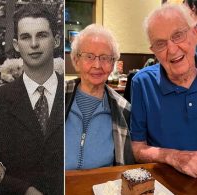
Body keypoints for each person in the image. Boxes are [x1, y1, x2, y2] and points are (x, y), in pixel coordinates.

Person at [0, 3, 63, 195]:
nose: (34, 44)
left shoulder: (73, 94)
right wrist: (24, 190)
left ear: (56, 40)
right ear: (16, 45)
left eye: (42, 35)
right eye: (25, 37)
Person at [130, 3, 197, 178]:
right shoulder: (142, 83)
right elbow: (137, 149)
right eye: (160, 44)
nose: (172, 50)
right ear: (154, 52)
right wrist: (174, 157)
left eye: (178, 35)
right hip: (163, 185)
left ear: (194, 33)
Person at [65, 24, 134, 170]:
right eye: (89, 57)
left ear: (113, 64)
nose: (97, 65)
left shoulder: (124, 110)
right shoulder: (54, 97)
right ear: (76, 61)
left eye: (105, 58)